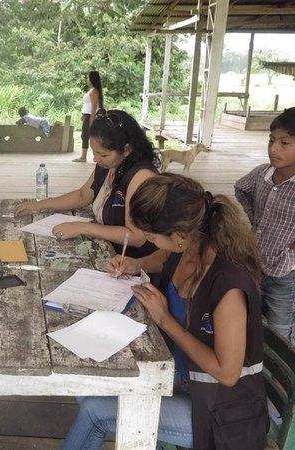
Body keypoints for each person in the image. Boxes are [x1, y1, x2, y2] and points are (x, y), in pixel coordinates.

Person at [63, 173, 268, 450]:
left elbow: (227, 373)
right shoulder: (187, 247)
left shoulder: (228, 285)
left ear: (179, 235)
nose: (149, 241)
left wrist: (165, 320)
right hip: (183, 374)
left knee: (95, 412)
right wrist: (135, 264)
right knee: (89, 386)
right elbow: (162, 258)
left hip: (219, 412)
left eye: (151, 236)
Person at [15, 109, 159, 258]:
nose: (96, 159)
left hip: (132, 262)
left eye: (103, 154)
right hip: (108, 252)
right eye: (94, 152)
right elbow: (82, 195)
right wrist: (40, 205)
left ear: (127, 149)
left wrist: (83, 227)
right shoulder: (108, 164)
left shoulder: (141, 176)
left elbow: (137, 237)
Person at [235, 107, 295, 343]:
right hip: (253, 261)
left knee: (280, 326)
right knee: (249, 314)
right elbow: (241, 188)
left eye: (284, 143)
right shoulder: (263, 174)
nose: (273, 149)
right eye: (271, 141)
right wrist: (257, 222)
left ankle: (279, 376)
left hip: (285, 270)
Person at [73, 70, 103, 162]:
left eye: (88, 77)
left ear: (92, 79)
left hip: (91, 115)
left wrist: (91, 120)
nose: (87, 79)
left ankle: (84, 157)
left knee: (87, 136)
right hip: (87, 115)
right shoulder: (92, 89)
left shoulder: (94, 91)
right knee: (85, 136)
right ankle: (84, 156)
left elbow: (94, 107)